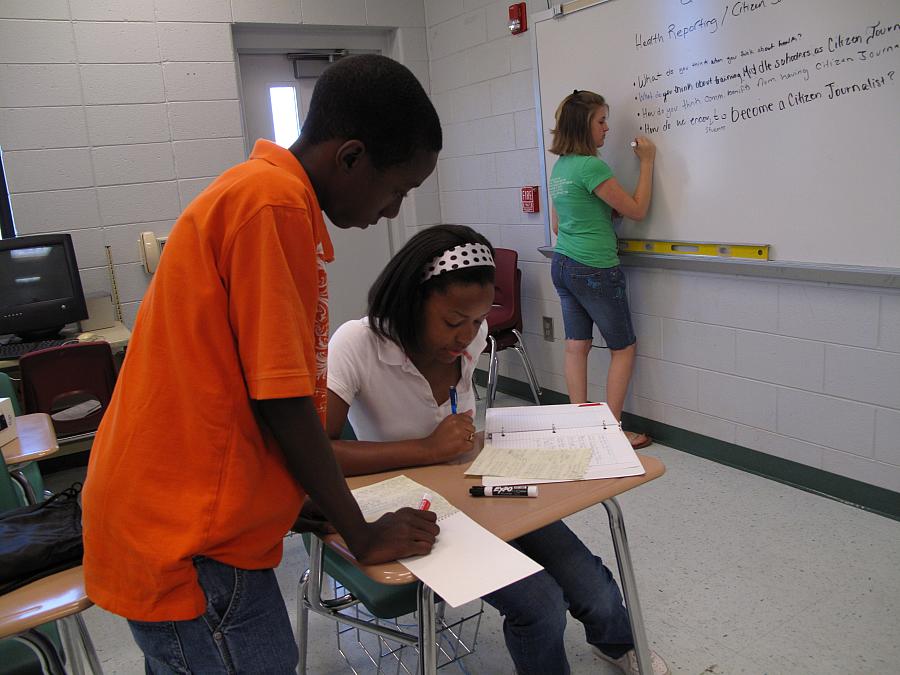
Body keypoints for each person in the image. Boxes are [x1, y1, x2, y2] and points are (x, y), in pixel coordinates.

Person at [81, 54, 442, 674]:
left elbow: (232, 384)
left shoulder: (262, 196)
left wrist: (289, 494)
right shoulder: (270, 205)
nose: (393, 210)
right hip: (190, 543)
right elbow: (280, 401)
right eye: (397, 189)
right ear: (351, 157)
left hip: (187, 519)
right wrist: (362, 533)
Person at [325, 224, 669, 675]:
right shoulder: (357, 343)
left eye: (476, 322)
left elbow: (461, 435)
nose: (466, 336)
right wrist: (426, 449)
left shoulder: (471, 336)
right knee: (540, 603)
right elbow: (321, 451)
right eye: (453, 322)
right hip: (410, 511)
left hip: (474, 487)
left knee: (588, 580)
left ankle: (616, 643)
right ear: (412, 300)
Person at [548, 89, 656, 449]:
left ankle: (580, 426)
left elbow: (558, 225)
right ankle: (611, 432)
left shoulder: (561, 167)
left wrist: (597, 215)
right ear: (584, 125)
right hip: (594, 268)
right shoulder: (591, 166)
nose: (607, 128)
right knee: (623, 348)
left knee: (576, 346)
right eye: (601, 120)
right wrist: (648, 162)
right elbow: (637, 210)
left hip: (562, 264)